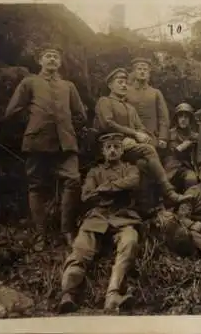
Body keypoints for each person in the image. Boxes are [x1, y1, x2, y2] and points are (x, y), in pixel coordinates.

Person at [3, 44, 87, 249]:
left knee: (73, 181)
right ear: (40, 61)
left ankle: (67, 230)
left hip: (66, 144)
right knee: (36, 187)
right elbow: (12, 112)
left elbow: (80, 116)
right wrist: (34, 124)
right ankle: (40, 234)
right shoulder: (29, 82)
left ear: (59, 63)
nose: (52, 60)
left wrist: (66, 129)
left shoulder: (68, 86)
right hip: (37, 142)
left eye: (55, 57)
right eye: (47, 56)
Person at [58, 133, 142, 314]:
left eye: (116, 147)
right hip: (97, 217)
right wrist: (117, 189)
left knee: (130, 241)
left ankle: (113, 295)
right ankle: (68, 294)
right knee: (81, 249)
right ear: (103, 151)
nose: (112, 150)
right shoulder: (94, 172)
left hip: (123, 217)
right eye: (108, 147)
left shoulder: (131, 169)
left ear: (122, 150)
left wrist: (104, 188)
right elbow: (86, 195)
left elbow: (133, 182)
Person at [92, 68, 191, 207]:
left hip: (128, 147)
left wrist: (139, 136)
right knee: (148, 150)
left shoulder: (129, 107)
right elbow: (108, 124)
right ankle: (169, 192)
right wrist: (133, 134)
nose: (123, 85)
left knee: (143, 165)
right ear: (110, 85)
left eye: (125, 83)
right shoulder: (105, 101)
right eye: (119, 82)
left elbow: (141, 128)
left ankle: (148, 206)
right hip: (110, 146)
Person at [126, 57, 170, 151]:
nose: (142, 72)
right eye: (139, 69)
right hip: (131, 136)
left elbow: (163, 117)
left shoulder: (155, 92)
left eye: (145, 69)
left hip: (152, 136)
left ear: (149, 73)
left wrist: (163, 137)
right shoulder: (126, 91)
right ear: (134, 72)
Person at [163, 103, 199, 193]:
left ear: (190, 119)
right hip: (170, 168)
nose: (183, 119)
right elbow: (163, 153)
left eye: (186, 117)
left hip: (187, 167)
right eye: (180, 117)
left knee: (192, 179)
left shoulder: (195, 136)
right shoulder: (168, 133)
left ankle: (188, 204)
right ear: (176, 119)